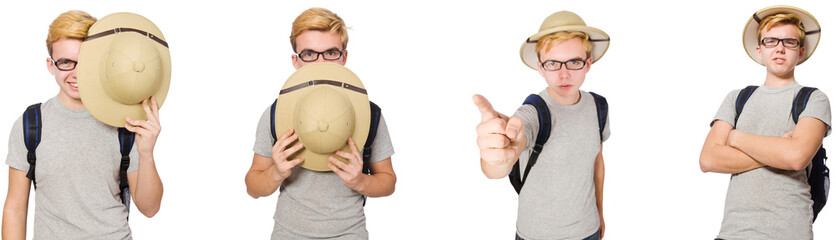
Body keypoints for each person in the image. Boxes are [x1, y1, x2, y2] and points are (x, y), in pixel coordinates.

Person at [2, 10, 164, 239]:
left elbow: (150, 208)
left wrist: (146, 153)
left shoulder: (124, 122)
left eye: (85, 62)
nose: (77, 73)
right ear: (51, 65)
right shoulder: (31, 124)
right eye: (66, 62)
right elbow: (15, 208)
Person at [244, 7, 396, 239]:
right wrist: (276, 173)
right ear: (296, 61)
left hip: (349, 233)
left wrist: (360, 181)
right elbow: (252, 187)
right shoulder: (276, 113)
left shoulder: (369, 114)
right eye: (309, 54)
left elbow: (388, 182)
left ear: (344, 57)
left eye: (331, 53)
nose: (320, 63)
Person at [474, 10, 610, 240]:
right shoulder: (533, 111)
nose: (564, 74)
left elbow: (596, 162)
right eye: (553, 63)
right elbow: (499, 164)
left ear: (588, 64)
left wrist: (600, 214)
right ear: (541, 68)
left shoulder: (598, 106)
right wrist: (497, 158)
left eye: (574, 62)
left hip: (588, 231)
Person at [699, 6, 829, 240]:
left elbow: (796, 157)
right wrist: (779, 148)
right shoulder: (737, 98)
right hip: (733, 233)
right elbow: (708, 159)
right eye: (771, 41)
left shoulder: (814, 98)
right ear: (759, 50)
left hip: (790, 233)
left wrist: (735, 138)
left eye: (789, 42)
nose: (780, 48)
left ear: (800, 52)